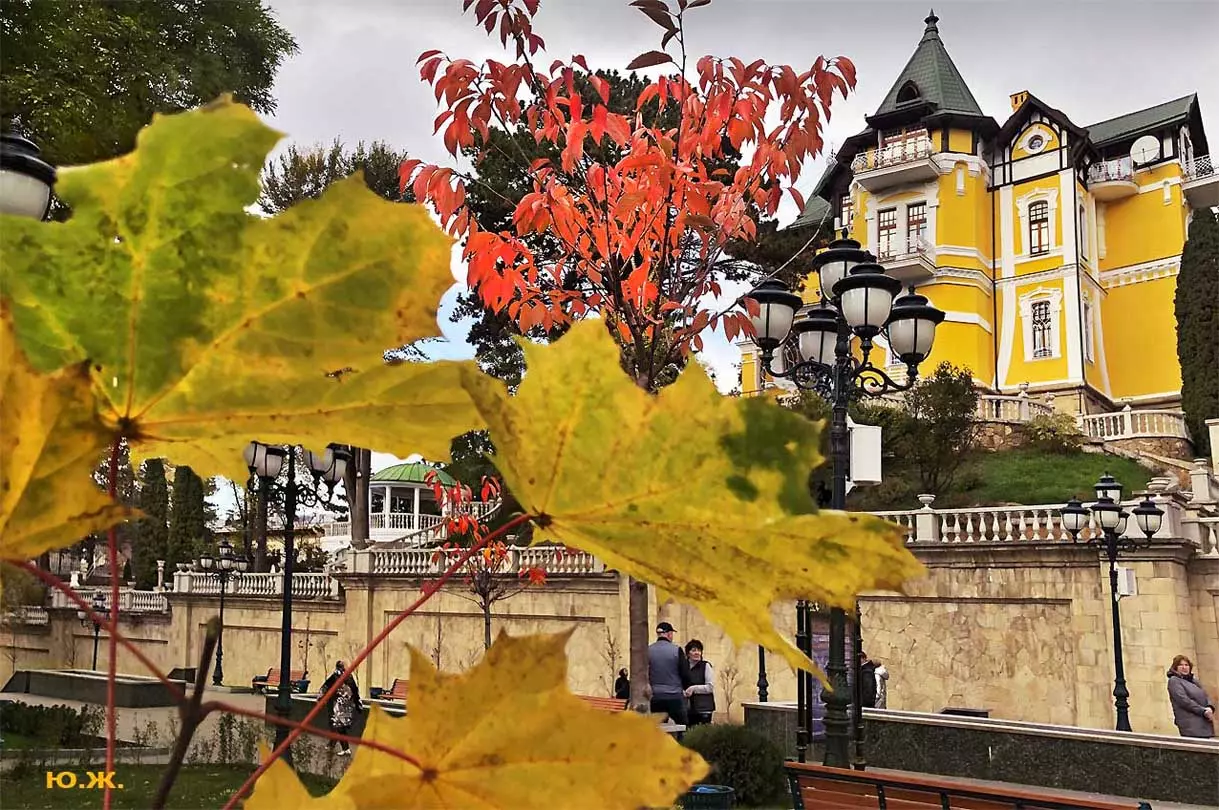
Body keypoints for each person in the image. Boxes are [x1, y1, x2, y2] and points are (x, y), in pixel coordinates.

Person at [647, 621, 689, 725]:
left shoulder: (648, 650)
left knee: (657, 727)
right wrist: (685, 687)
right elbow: (685, 673)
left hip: (656, 696)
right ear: (669, 634)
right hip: (674, 695)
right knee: (683, 726)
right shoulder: (676, 650)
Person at [320, 660, 363, 756]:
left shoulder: (336, 676)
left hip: (339, 706)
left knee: (338, 726)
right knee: (338, 726)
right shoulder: (349, 677)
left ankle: (345, 748)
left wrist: (320, 698)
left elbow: (325, 687)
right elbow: (355, 691)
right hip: (346, 706)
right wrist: (358, 703)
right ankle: (333, 745)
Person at [1167, 654, 1215, 738]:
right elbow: (1184, 701)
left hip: (1204, 722)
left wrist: (1210, 707)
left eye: (1186, 665)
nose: (1184, 667)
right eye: (1181, 665)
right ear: (1175, 667)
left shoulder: (1194, 681)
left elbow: (1205, 695)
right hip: (1190, 724)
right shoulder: (1174, 681)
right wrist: (1203, 711)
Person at [684, 640, 716, 726]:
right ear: (688, 653)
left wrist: (693, 688)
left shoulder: (706, 666)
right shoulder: (683, 666)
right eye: (693, 650)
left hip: (703, 708)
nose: (697, 653)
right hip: (688, 708)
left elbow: (710, 687)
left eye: (699, 650)